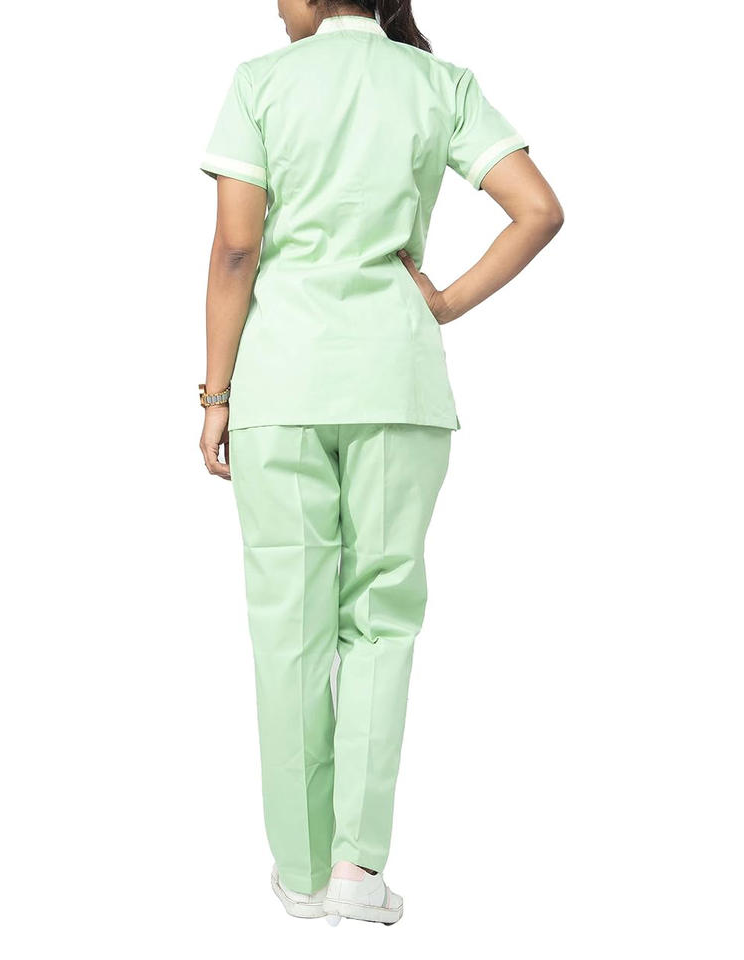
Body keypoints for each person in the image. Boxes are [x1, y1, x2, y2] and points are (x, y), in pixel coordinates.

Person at [198, 0, 563, 926]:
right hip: (398, 380)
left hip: (281, 382)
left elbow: (237, 247)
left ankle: (299, 870)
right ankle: (359, 870)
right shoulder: (440, 83)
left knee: (287, 624)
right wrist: (442, 302)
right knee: (381, 622)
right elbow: (538, 210)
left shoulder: (261, 83)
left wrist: (215, 395)